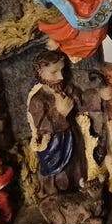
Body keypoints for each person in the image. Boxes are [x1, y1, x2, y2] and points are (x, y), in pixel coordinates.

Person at [27, 50, 85, 195]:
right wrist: (61, 114)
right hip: (53, 145)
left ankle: (77, 192)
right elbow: (43, 128)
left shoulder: (68, 89)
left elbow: (83, 104)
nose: (60, 77)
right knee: (58, 176)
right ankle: (55, 196)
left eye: (62, 70)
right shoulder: (37, 101)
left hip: (71, 139)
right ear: (40, 73)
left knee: (75, 169)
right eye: (54, 72)